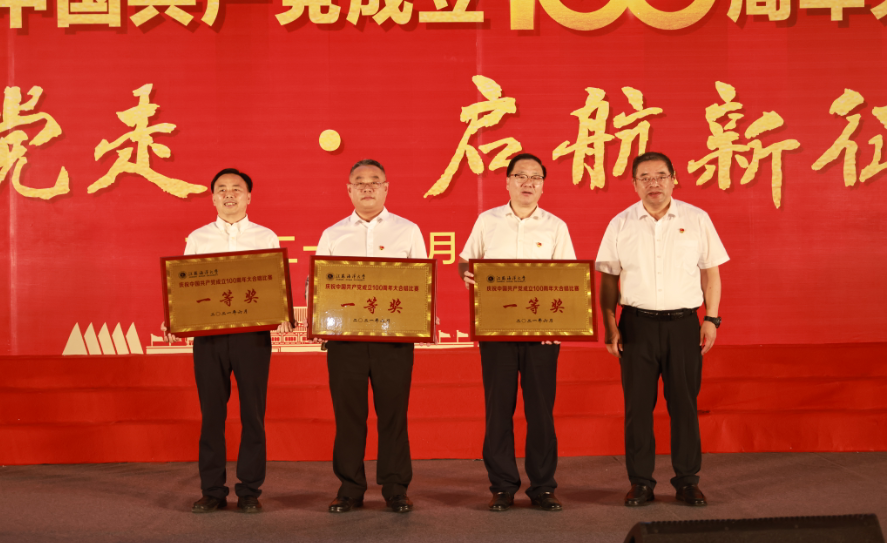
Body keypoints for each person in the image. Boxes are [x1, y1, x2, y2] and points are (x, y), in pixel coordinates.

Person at [595, 152, 728, 507]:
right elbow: (607, 280)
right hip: (636, 326)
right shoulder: (620, 223)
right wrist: (610, 325)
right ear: (634, 184)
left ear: (674, 178)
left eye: (660, 176)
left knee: (684, 405)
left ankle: (687, 481)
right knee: (637, 408)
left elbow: (711, 273)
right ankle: (640, 482)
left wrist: (711, 318)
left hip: (683, 325)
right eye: (645, 178)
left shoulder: (696, 219)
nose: (653, 183)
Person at [163, 168, 292, 514]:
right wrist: (175, 316)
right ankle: (213, 490)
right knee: (212, 415)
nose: (229, 194)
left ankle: (249, 490)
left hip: (252, 337)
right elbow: (184, 287)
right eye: (222, 189)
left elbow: (276, 283)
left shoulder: (265, 236)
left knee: (253, 414)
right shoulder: (198, 238)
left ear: (249, 196)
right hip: (209, 338)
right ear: (213, 198)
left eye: (237, 188)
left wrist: (281, 311)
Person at [458, 153, 576, 512]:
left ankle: (542, 486)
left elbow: (568, 279)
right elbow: (465, 260)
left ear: (543, 185)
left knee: (541, 411)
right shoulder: (487, 221)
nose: (528, 182)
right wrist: (467, 274)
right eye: (521, 175)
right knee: (499, 410)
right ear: (507, 181)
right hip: (497, 331)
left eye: (536, 177)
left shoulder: (556, 226)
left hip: (542, 334)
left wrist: (560, 325)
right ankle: (503, 486)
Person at [315, 159, 426, 514]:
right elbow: (320, 286)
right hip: (345, 342)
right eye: (359, 181)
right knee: (349, 416)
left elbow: (421, 283)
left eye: (374, 181)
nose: (367, 187)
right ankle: (350, 488)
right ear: (348, 189)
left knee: (394, 414)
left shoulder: (408, 230)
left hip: (393, 341)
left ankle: (396, 488)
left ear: (386, 188)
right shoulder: (332, 234)